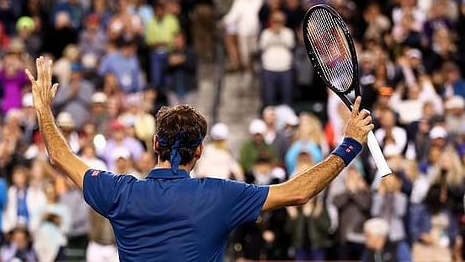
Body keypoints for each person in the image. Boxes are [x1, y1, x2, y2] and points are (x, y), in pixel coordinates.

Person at [25, 56, 374, 262]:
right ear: (200, 152)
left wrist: (43, 108)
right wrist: (349, 145)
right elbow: (298, 191)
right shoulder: (220, 196)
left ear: (154, 146)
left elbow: (59, 154)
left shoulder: (119, 193)